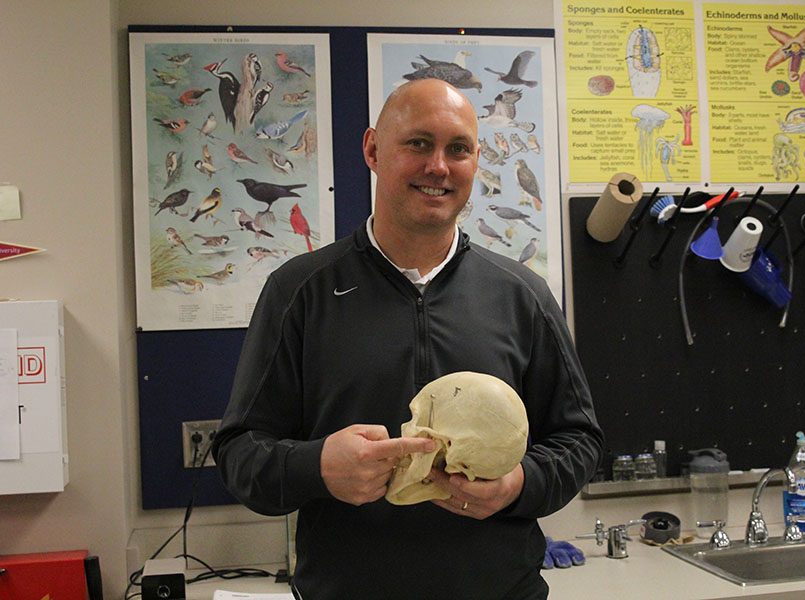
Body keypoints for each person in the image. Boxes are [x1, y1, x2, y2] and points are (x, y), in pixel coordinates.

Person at [212, 78, 603, 600]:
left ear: (475, 161)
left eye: (458, 149)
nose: (438, 166)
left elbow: (580, 441)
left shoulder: (522, 294)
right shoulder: (299, 291)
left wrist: (519, 485)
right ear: (373, 150)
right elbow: (240, 454)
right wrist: (318, 467)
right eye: (418, 143)